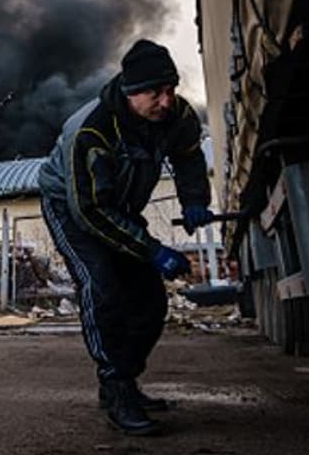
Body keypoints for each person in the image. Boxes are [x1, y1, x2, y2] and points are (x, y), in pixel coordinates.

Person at [37, 39, 213, 436]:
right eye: (155, 92)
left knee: (150, 301)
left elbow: (187, 155)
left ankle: (125, 380)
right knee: (101, 287)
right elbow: (91, 213)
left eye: (171, 89)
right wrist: (152, 250)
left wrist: (196, 200)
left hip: (119, 206)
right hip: (72, 207)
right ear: (132, 91)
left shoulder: (176, 115)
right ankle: (115, 387)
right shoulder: (92, 131)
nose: (166, 101)